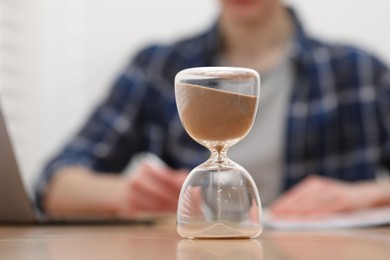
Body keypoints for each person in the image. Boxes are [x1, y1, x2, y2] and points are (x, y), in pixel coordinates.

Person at [35, 0, 390, 219]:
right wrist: (129, 194)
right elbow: (55, 183)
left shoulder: (358, 72)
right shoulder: (158, 67)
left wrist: (362, 196)